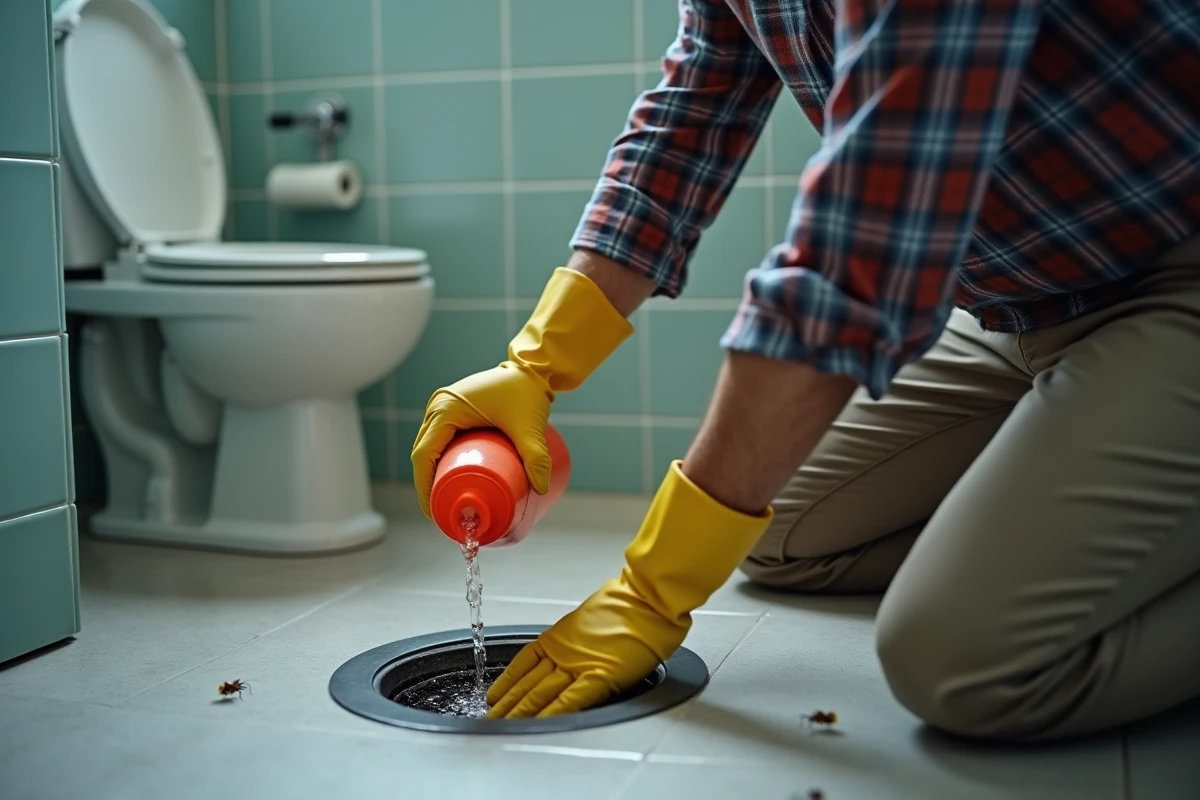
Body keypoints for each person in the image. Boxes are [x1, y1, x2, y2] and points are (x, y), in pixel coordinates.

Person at [411, 0, 1200, 740]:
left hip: (1174, 273)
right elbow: (689, 117)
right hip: (1021, 311)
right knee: (783, 536)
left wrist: (653, 591)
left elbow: (857, 246)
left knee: (960, 662)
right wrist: (537, 363)